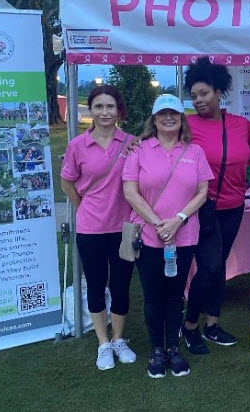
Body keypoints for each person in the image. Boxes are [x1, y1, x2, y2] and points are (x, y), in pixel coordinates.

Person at [123, 94, 213, 379]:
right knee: (153, 296)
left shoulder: (194, 152)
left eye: (174, 113)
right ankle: (156, 350)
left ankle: (173, 348)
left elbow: (202, 192)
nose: (169, 118)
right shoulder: (139, 150)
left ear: (181, 118)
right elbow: (130, 191)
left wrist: (178, 220)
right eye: (162, 114)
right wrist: (158, 223)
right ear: (154, 119)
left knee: (175, 296)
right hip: (149, 235)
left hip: (183, 236)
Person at [182, 57, 250, 354]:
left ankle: (212, 324)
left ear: (218, 92)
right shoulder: (187, 125)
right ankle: (189, 326)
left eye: (204, 93)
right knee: (210, 266)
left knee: (219, 266)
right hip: (203, 208)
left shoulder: (240, 125)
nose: (198, 100)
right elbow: (157, 143)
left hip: (235, 206)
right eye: (194, 95)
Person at [60, 85, 138, 371]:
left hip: (124, 228)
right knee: (95, 285)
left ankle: (119, 339)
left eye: (110, 107)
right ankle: (103, 344)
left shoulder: (131, 143)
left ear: (119, 111)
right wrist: (83, 207)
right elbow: (67, 182)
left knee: (120, 286)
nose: (105, 112)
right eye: (99, 107)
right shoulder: (77, 145)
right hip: (91, 229)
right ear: (90, 110)